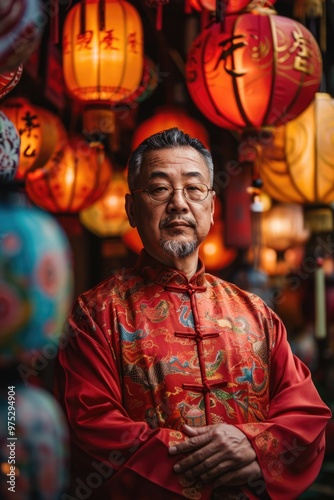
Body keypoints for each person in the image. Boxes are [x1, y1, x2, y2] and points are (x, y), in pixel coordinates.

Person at [54, 128, 331, 500]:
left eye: (194, 189)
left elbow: (307, 416)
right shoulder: (96, 315)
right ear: (132, 209)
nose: (179, 204)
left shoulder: (256, 313)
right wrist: (208, 468)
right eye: (159, 189)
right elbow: (89, 427)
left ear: (211, 208)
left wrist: (255, 448)